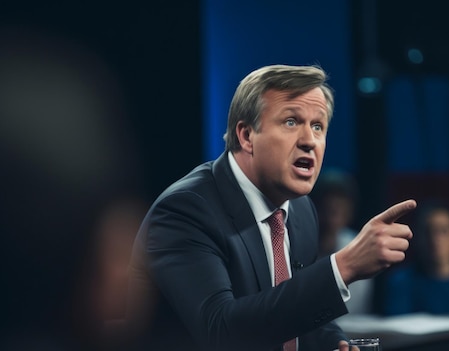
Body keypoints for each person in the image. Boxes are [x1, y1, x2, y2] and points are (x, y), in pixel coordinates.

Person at [126, 64, 416, 351]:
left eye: (318, 126)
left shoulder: (301, 210)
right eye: (291, 122)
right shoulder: (186, 210)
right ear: (247, 136)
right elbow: (221, 331)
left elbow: (292, 307)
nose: (309, 141)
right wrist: (344, 267)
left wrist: (333, 341)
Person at [311, 170, 374, 315]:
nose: (331, 214)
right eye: (326, 207)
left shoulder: (359, 245)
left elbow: (358, 308)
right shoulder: (297, 245)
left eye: (339, 206)